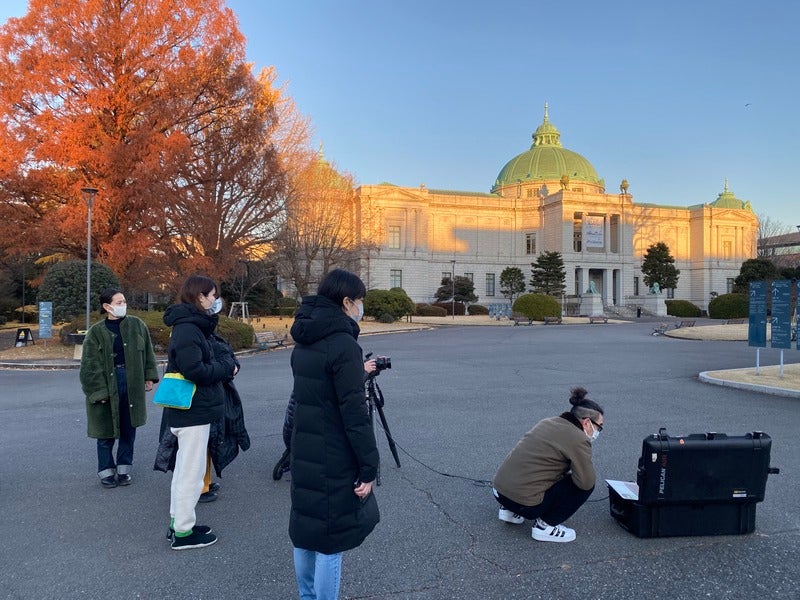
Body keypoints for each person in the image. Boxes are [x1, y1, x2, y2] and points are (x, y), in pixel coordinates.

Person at [289, 268, 380, 600]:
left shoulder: (305, 338)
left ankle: (307, 596)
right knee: (331, 542)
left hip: (304, 446)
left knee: (305, 531)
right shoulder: (343, 345)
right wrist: (368, 467)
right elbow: (355, 415)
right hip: (334, 452)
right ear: (346, 302)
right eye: (359, 301)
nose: (360, 307)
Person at [161, 275, 237, 550]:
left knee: (185, 470)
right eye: (212, 295)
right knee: (191, 474)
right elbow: (195, 370)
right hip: (193, 409)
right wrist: (226, 368)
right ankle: (183, 532)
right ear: (200, 296)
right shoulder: (188, 329)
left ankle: (178, 524)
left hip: (191, 409)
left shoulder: (189, 326)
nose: (215, 300)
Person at [492, 387, 604, 543]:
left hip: (499, 493)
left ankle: (509, 511)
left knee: (538, 466)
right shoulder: (579, 438)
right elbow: (586, 482)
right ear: (586, 423)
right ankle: (545, 527)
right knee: (584, 485)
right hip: (526, 505)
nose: (598, 431)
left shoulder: (547, 422)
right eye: (599, 427)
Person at [80, 287, 158, 488]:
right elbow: (89, 365)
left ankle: (124, 469)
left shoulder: (137, 325)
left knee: (128, 428)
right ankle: (106, 471)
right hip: (107, 382)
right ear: (107, 306)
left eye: (124, 301)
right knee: (105, 430)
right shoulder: (96, 332)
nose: (123, 305)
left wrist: (149, 376)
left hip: (132, 381)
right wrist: (99, 391)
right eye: (119, 302)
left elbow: (148, 352)